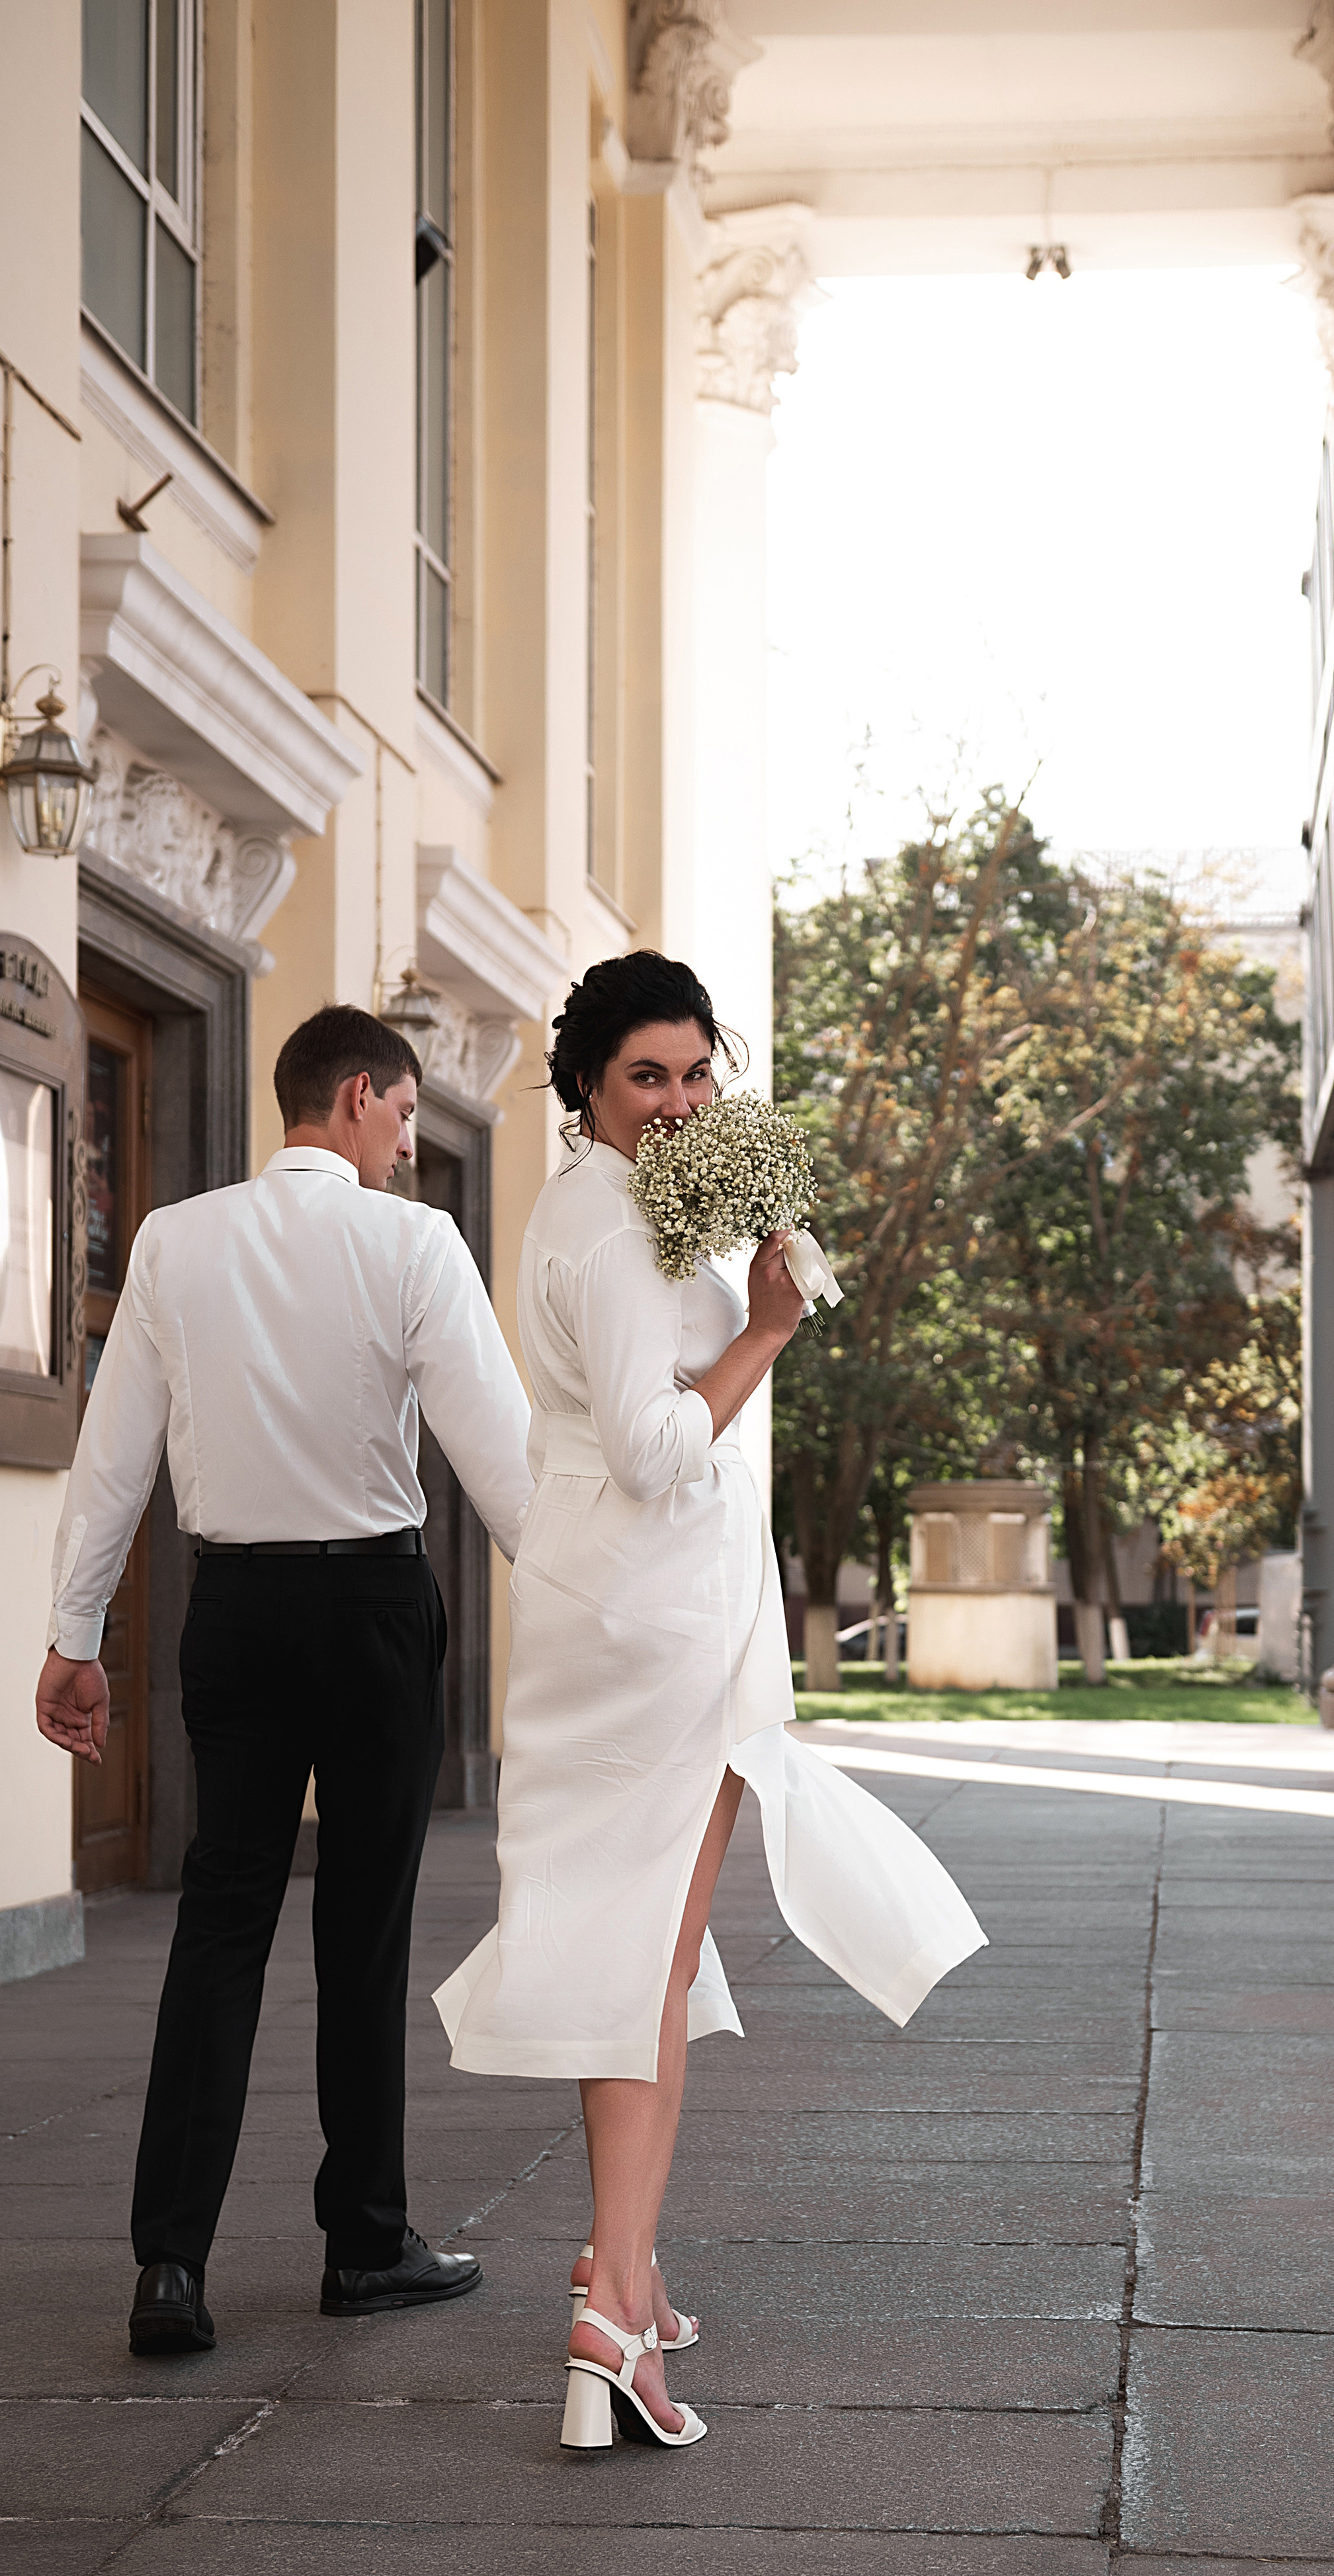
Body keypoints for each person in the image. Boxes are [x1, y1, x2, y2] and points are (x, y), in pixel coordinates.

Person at [432, 953, 987, 2454]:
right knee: (645, 1958)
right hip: (646, 1615)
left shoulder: (621, 1197)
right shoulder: (606, 1227)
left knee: (646, 1953)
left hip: (646, 1603)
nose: (677, 1102)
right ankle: (608, 2309)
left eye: (694, 1073)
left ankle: (631, 2269)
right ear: (585, 1090)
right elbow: (652, 1446)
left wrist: (748, 1266)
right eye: (644, 1079)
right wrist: (761, 1331)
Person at [34, 1004, 532, 2358]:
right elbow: (505, 1465)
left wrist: (75, 1636)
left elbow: (113, 1454)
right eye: (409, 1115)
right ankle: (365, 2245)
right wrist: (596, 1612)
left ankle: (170, 2268)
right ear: (360, 1097)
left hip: (234, 1611)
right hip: (373, 1607)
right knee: (362, 1928)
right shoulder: (415, 1243)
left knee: (221, 1921)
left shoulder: (174, 1240)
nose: (411, 1144)